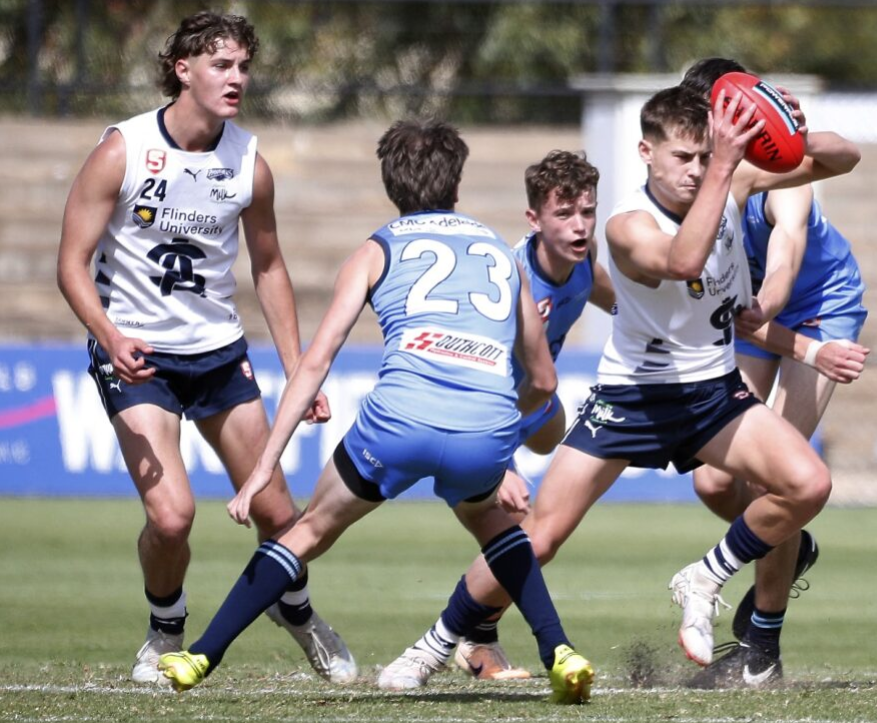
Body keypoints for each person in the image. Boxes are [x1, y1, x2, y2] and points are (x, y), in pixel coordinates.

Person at [383, 83, 865, 684]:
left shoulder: (734, 179)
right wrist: (724, 164)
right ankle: (434, 644)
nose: (693, 171)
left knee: (808, 484)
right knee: (540, 537)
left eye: (701, 156)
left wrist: (785, 129)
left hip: (712, 395)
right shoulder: (625, 225)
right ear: (645, 152)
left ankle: (706, 576)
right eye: (680, 158)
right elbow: (684, 261)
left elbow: (844, 158)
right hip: (631, 398)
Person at [156, 119, 595, 705]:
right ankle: (560, 653)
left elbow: (314, 363)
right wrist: (495, 436)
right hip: (485, 427)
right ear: (457, 185)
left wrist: (262, 469)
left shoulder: (375, 249)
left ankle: (199, 655)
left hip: (397, 422)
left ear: (392, 188)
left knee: (305, 531)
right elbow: (542, 380)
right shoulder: (499, 249)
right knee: (495, 526)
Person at [55, 11, 355, 686]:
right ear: (182, 69)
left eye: (244, 66)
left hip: (219, 354)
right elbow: (71, 264)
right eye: (222, 65)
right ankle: (164, 628)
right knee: (172, 516)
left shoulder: (249, 160)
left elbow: (270, 266)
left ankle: (298, 612)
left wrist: (297, 370)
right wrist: (111, 335)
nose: (237, 78)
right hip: (138, 356)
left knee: (282, 514)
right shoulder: (122, 149)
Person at [682, 57, 870, 687]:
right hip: (754, 317)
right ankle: (787, 541)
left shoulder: (775, 167)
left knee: (775, 484)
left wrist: (790, 127)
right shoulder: (698, 181)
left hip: (816, 311)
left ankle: (762, 645)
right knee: (712, 483)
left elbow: (787, 254)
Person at [455, 149, 616, 680]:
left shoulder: (585, 263)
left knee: (552, 435)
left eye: (587, 213)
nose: (580, 226)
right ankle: (472, 643)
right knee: (524, 534)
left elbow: (627, 305)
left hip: (534, 407)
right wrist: (498, 462)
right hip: (477, 415)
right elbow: (476, 372)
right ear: (534, 220)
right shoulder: (511, 279)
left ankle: (476, 636)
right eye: (564, 215)